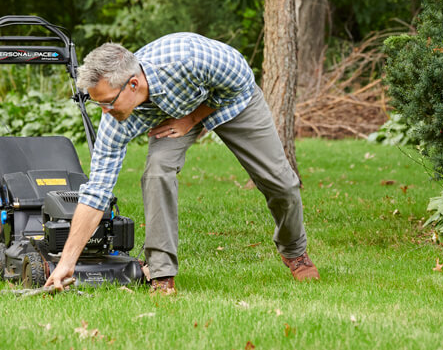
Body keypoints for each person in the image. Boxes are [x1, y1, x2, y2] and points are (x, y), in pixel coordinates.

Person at [44, 32, 319, 294]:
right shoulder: (115, 122)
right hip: (167, 118)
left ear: (133, 84)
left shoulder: (187, 57)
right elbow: (97, 191)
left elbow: (240, 77)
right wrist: (67, 263)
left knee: (281, 182)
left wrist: (192, 119)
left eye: (108, 103)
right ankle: (162, 274)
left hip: (231, 102)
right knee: (156, 172)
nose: (104, 112)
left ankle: (294, 251)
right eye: (98, 104)